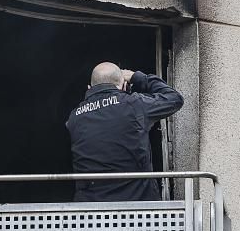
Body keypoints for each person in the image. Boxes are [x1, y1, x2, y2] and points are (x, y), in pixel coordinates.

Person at [65, 61, 183, 201]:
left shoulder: (74, 118)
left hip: (91, 212)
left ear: (89, 88)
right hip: (138, 210)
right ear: (123, 85)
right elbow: (174, 98)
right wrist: (136, 76)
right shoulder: (134, 104)